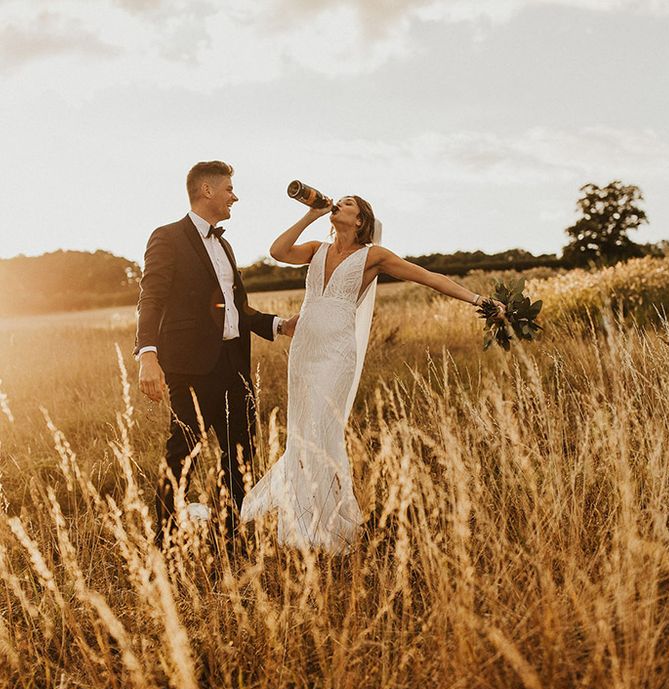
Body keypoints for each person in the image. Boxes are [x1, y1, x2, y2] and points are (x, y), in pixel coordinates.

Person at [240, 195, 502, 553]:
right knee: (301, 431)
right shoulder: (316, 249)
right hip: (303, 351)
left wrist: (478, 301)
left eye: (347, 203)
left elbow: (428, 278)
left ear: (361, 219)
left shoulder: (373, 256)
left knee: (322, 430)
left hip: (336, 353)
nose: (338, 204)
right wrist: (310, 215)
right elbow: (278, 251)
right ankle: (302, 517)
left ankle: (324, 524)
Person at [135, 160, 296, 550]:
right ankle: (166, 539)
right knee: (183, 450)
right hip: (190, 368)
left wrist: (278, 325)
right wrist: (147, 354)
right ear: (206, 191)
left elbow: (237, 307)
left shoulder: (224, 244)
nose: (234, 197)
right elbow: (151, 297)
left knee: (240, 450)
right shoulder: (167, 237)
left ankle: (231, 533)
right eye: (229, 190)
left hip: (233, 364)